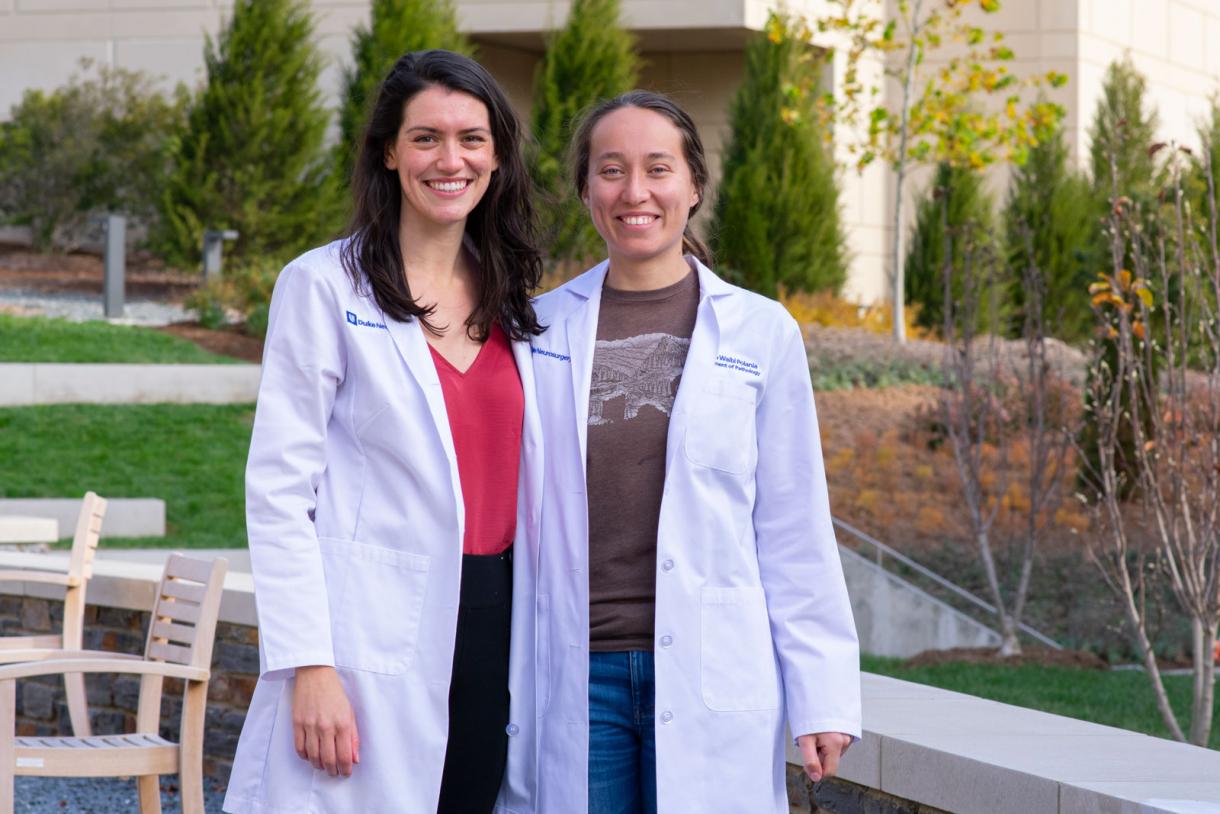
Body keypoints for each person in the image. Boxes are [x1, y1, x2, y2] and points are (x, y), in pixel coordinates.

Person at [223, 50, 544, 814]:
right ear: (390, 153)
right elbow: (277, 490)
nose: (450, 159)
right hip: (367, 628)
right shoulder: (325, 285)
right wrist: (309, 664)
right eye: (425, 138)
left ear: (496, 156)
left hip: (500, 617)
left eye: (471, 138)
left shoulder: (518, 299)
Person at [527, 90, 862, 814]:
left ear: (694, 185)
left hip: (712, 666)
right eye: (611, 170)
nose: (635, 192)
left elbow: (794, 524)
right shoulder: (538, 331)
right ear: (586, 189)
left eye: (658, 168)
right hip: (576, 673)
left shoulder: (761, 333)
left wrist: (823, 694)